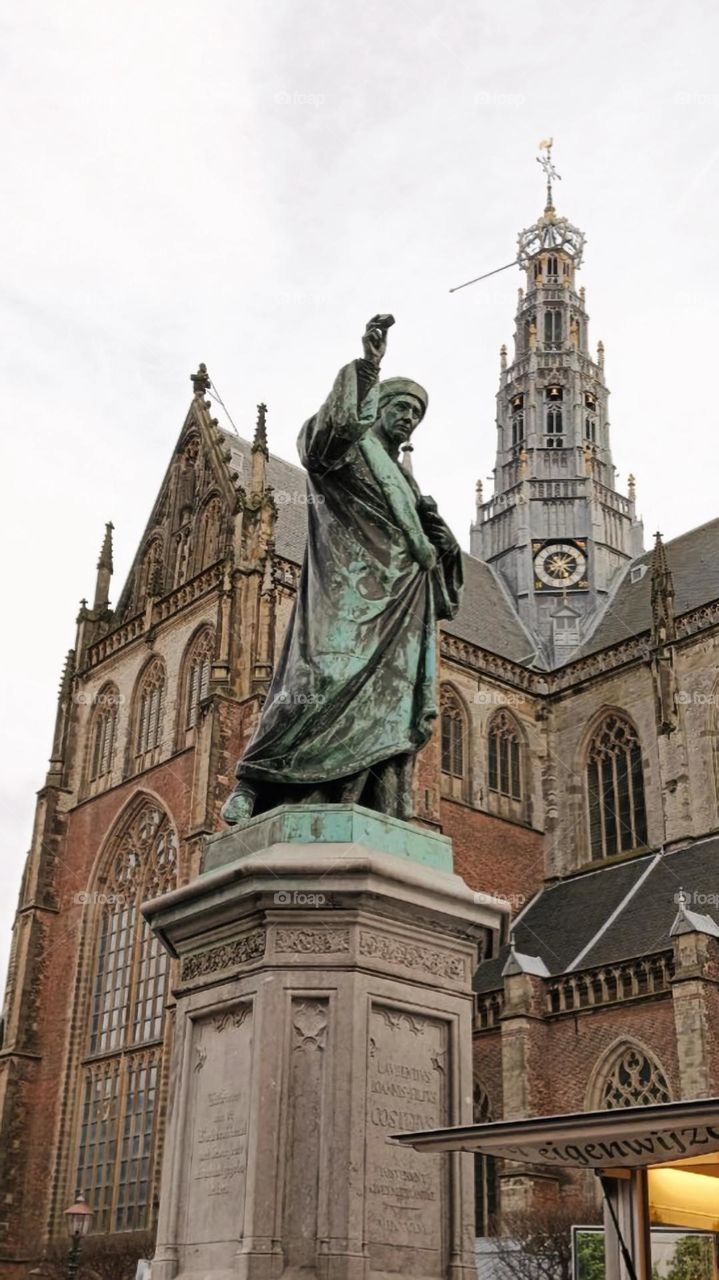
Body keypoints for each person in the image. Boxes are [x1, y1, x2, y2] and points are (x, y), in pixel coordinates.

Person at [221, 315, 463, 824]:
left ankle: (371, 811)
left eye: (416, 415)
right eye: (401, 408)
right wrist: (368, 369)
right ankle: (254, 780)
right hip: (346, 590)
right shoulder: (350, 449)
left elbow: (437, 569)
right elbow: (321, 444)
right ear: (376, 406)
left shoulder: (408, 483)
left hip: (401, 609)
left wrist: (444, 546)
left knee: (390, 709)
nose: (408, 419)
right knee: (317, 676)